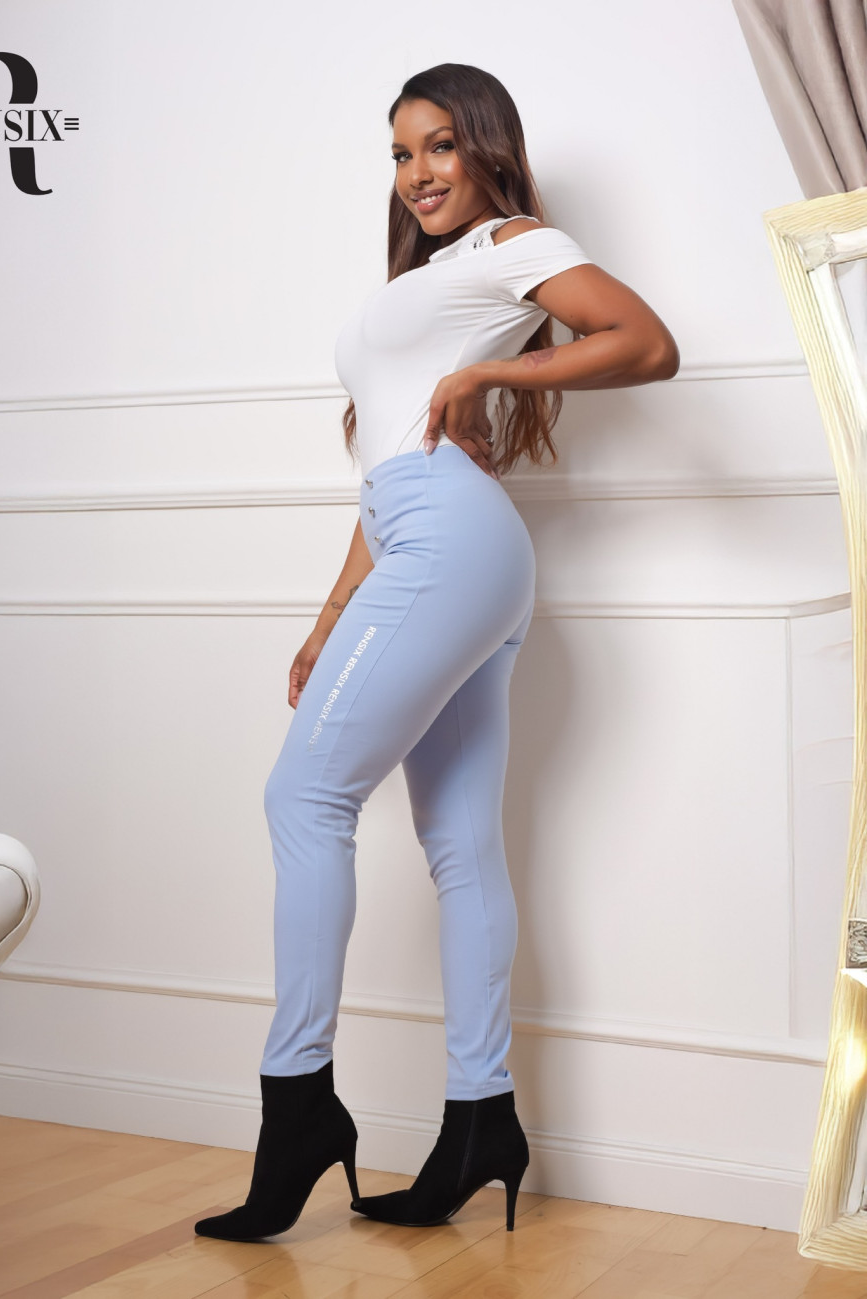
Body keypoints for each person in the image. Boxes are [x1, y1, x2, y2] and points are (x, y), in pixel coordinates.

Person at [195, 62, 678, 1242]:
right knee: (459, 845)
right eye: (402, 153)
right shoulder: (428, 278)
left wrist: (491, 371)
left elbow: (646, 342)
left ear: (487, 150)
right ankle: (480, 1122)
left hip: (452, 546)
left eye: (440, 147)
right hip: (440, 541)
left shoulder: (516, 243)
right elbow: (388, 476)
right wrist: (328, 621)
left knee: (304, 797)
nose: (418, 173)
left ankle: (297, 1105)